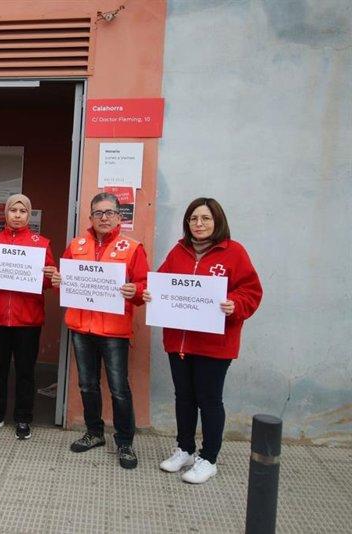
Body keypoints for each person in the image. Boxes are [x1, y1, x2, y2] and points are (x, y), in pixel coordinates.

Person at [143, 197, 262, 484]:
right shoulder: (178, 251)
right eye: (194, 219)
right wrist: (150, 293)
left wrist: (235, 304)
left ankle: (208, 458)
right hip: (180, 343)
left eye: (205, 218)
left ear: (217, 221)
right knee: (184, 398)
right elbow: (160, 282)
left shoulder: (234, 253)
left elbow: (251, 291)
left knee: (209, 400)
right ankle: (184, 448)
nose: (199, 224)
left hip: (214, 345)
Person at [51, 192, 149, 469]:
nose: (104, 218)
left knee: (119, 388)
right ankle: (94, 432)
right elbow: (64, 283)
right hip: (81, 327)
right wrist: (59, 279)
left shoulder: (132, 247)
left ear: (119, 216)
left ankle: (125, 442)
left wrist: (136, 291)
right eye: (98, 213)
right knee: (87, 383)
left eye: (109, 213)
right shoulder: (76, 244)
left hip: (115, 331)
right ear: (90, 217)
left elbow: (143, 288)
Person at [0, 194, 57, 440]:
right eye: (13, 210)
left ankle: (23, 418)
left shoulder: (41, 243)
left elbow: (48, 282)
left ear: (29, 215)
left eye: (23, 211)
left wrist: (51, 275)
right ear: (5, 214)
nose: (17, 215)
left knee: (26, 371)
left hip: (27, 319)